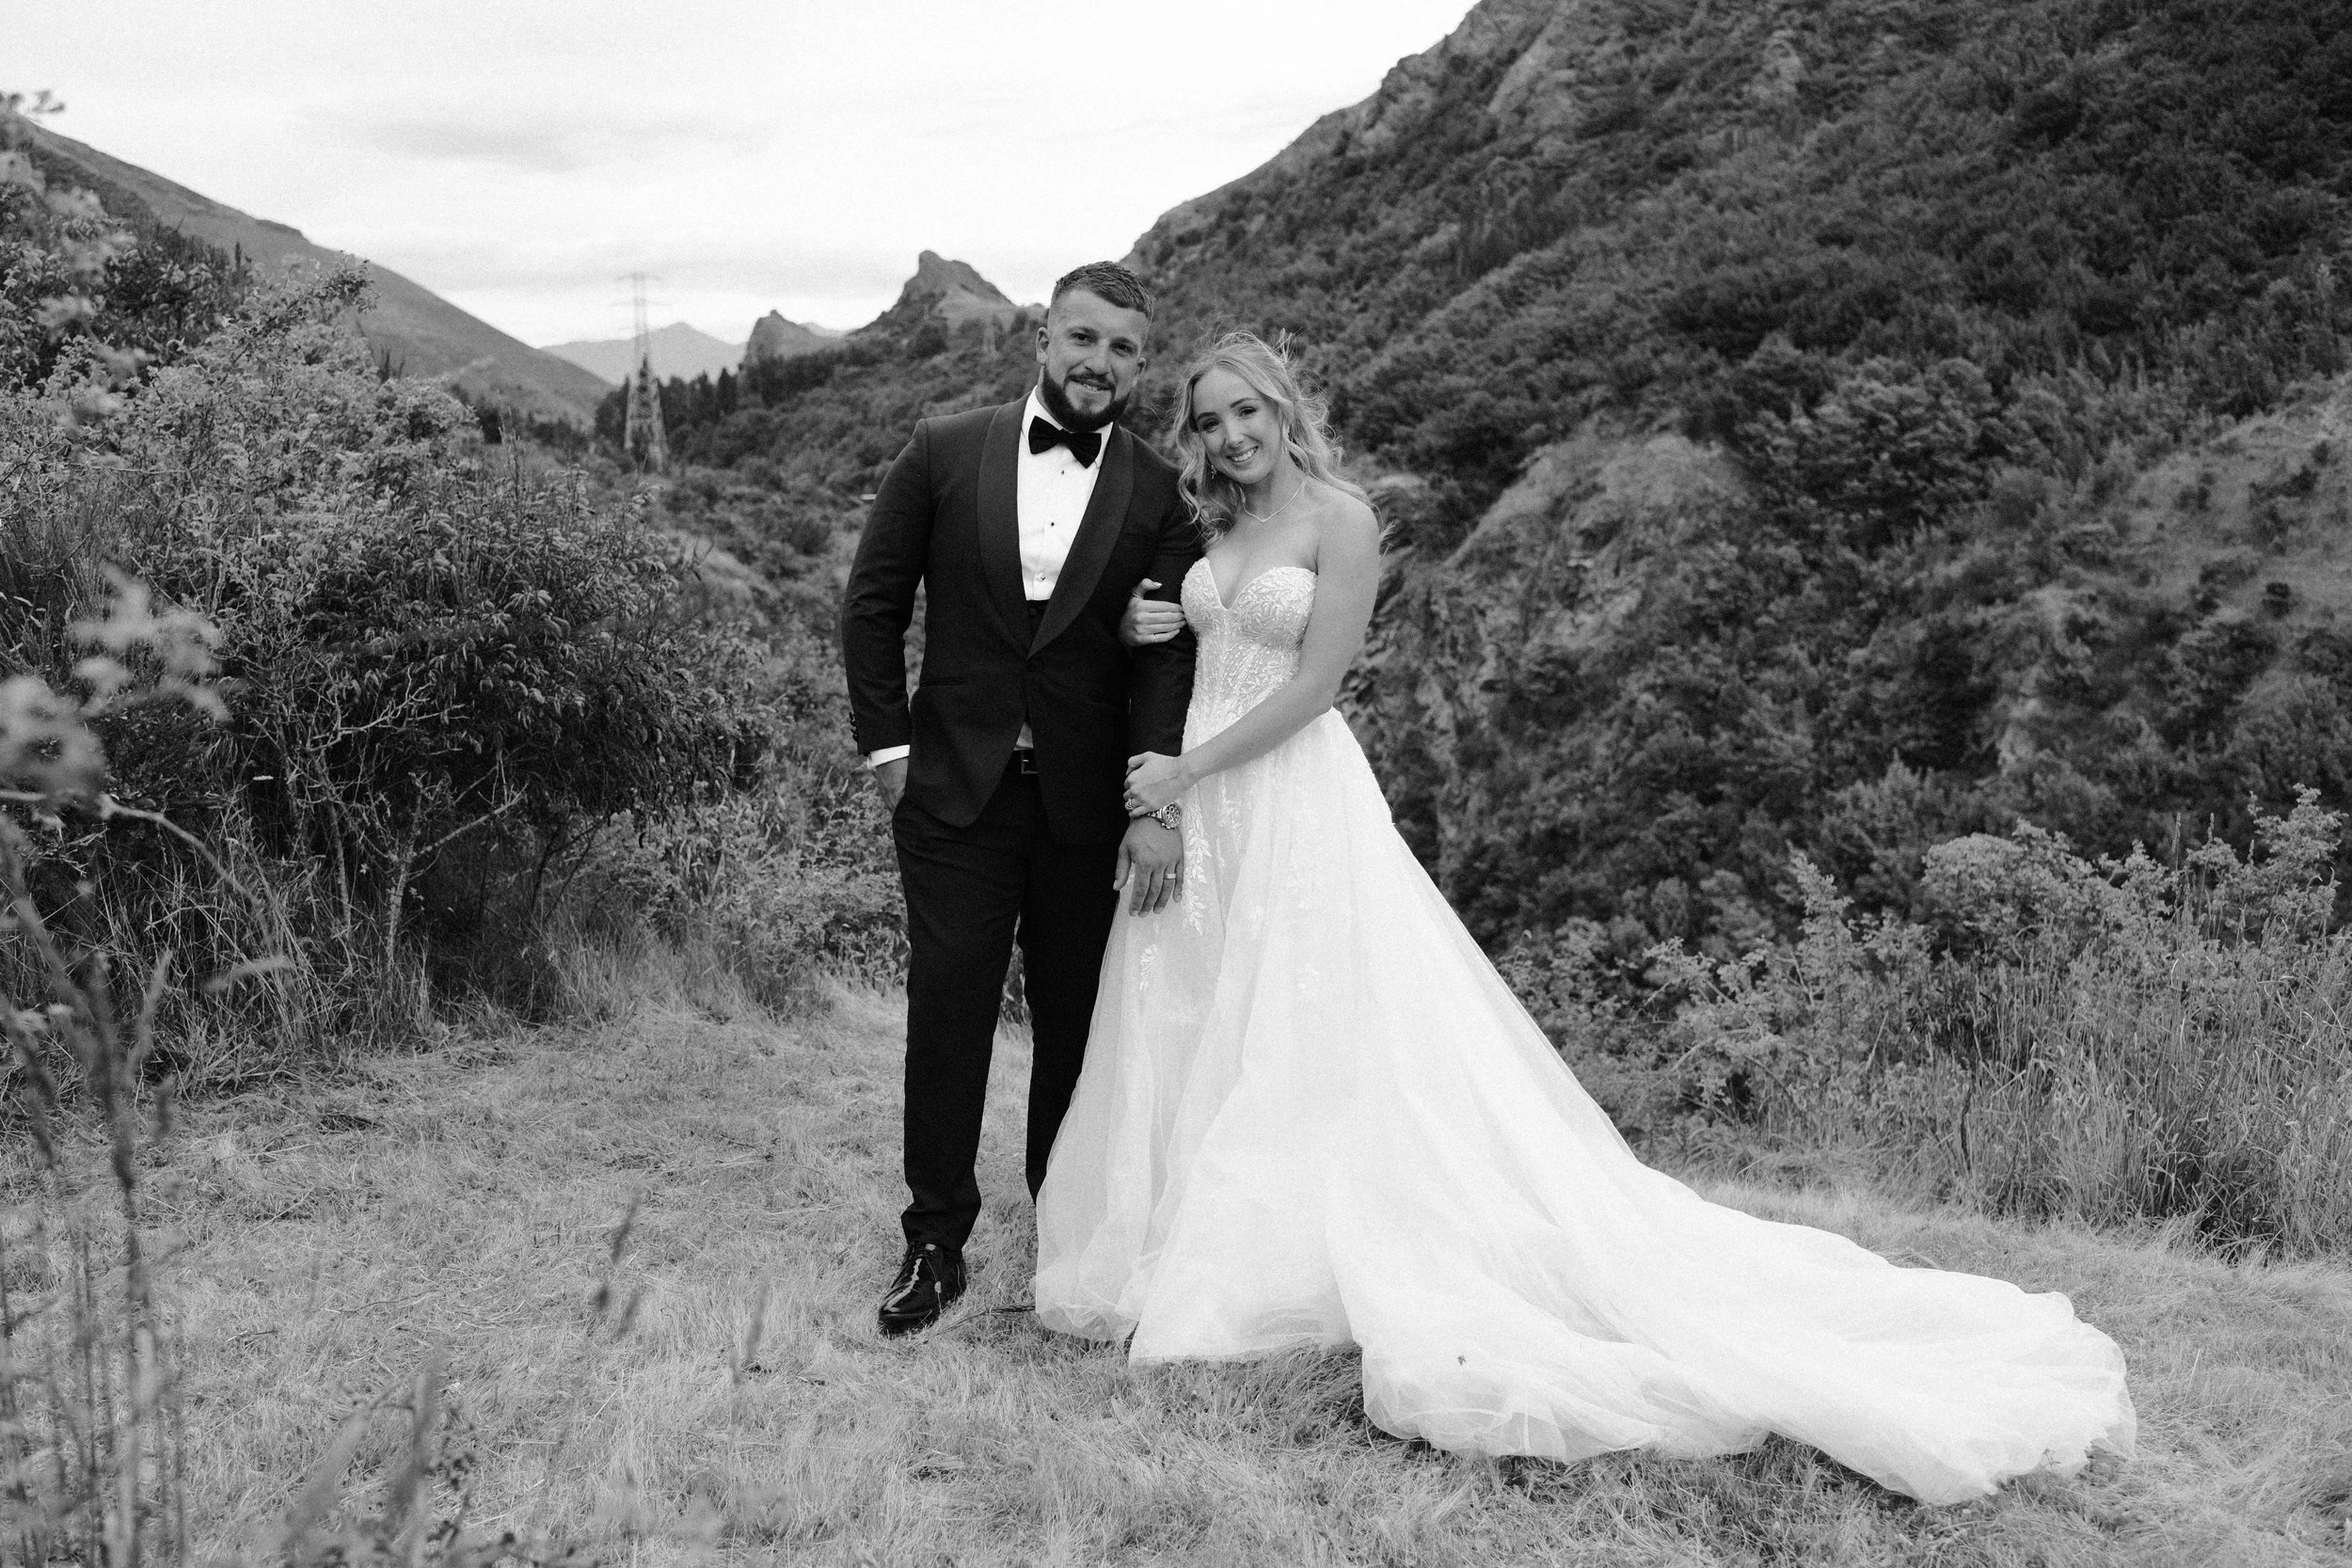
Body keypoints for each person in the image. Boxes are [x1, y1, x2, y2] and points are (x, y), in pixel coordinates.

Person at [1031, 331, 2135, 1504]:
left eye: (1245, 411)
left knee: (1310, 1025)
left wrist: (1184, 771)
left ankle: (1294, 1250)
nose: (1228, 435)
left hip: (1281, 789)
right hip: (1201, 801)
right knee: (1197, 1004)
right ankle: (1182, 1232)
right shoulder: (1209, 527)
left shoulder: (1339, 519)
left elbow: (1312, 688)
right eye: (1207, 421)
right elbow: (1187, 642)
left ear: (1282, 408)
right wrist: (1145, 652)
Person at [840, 261, 1200, 1337]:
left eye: (1124, 349)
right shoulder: (945, 447)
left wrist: (1151, 800)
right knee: (947, 1009)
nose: (1100, 363)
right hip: (952, 788)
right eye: (1083, 339)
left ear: (1142, 365)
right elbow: (872, 606)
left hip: (1088, 804)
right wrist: (890, 750)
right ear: (1046, 338)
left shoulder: (1156, 489)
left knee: (1077, 1025)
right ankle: (935, 1238)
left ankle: (1065, 1233)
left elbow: (1164, 662)